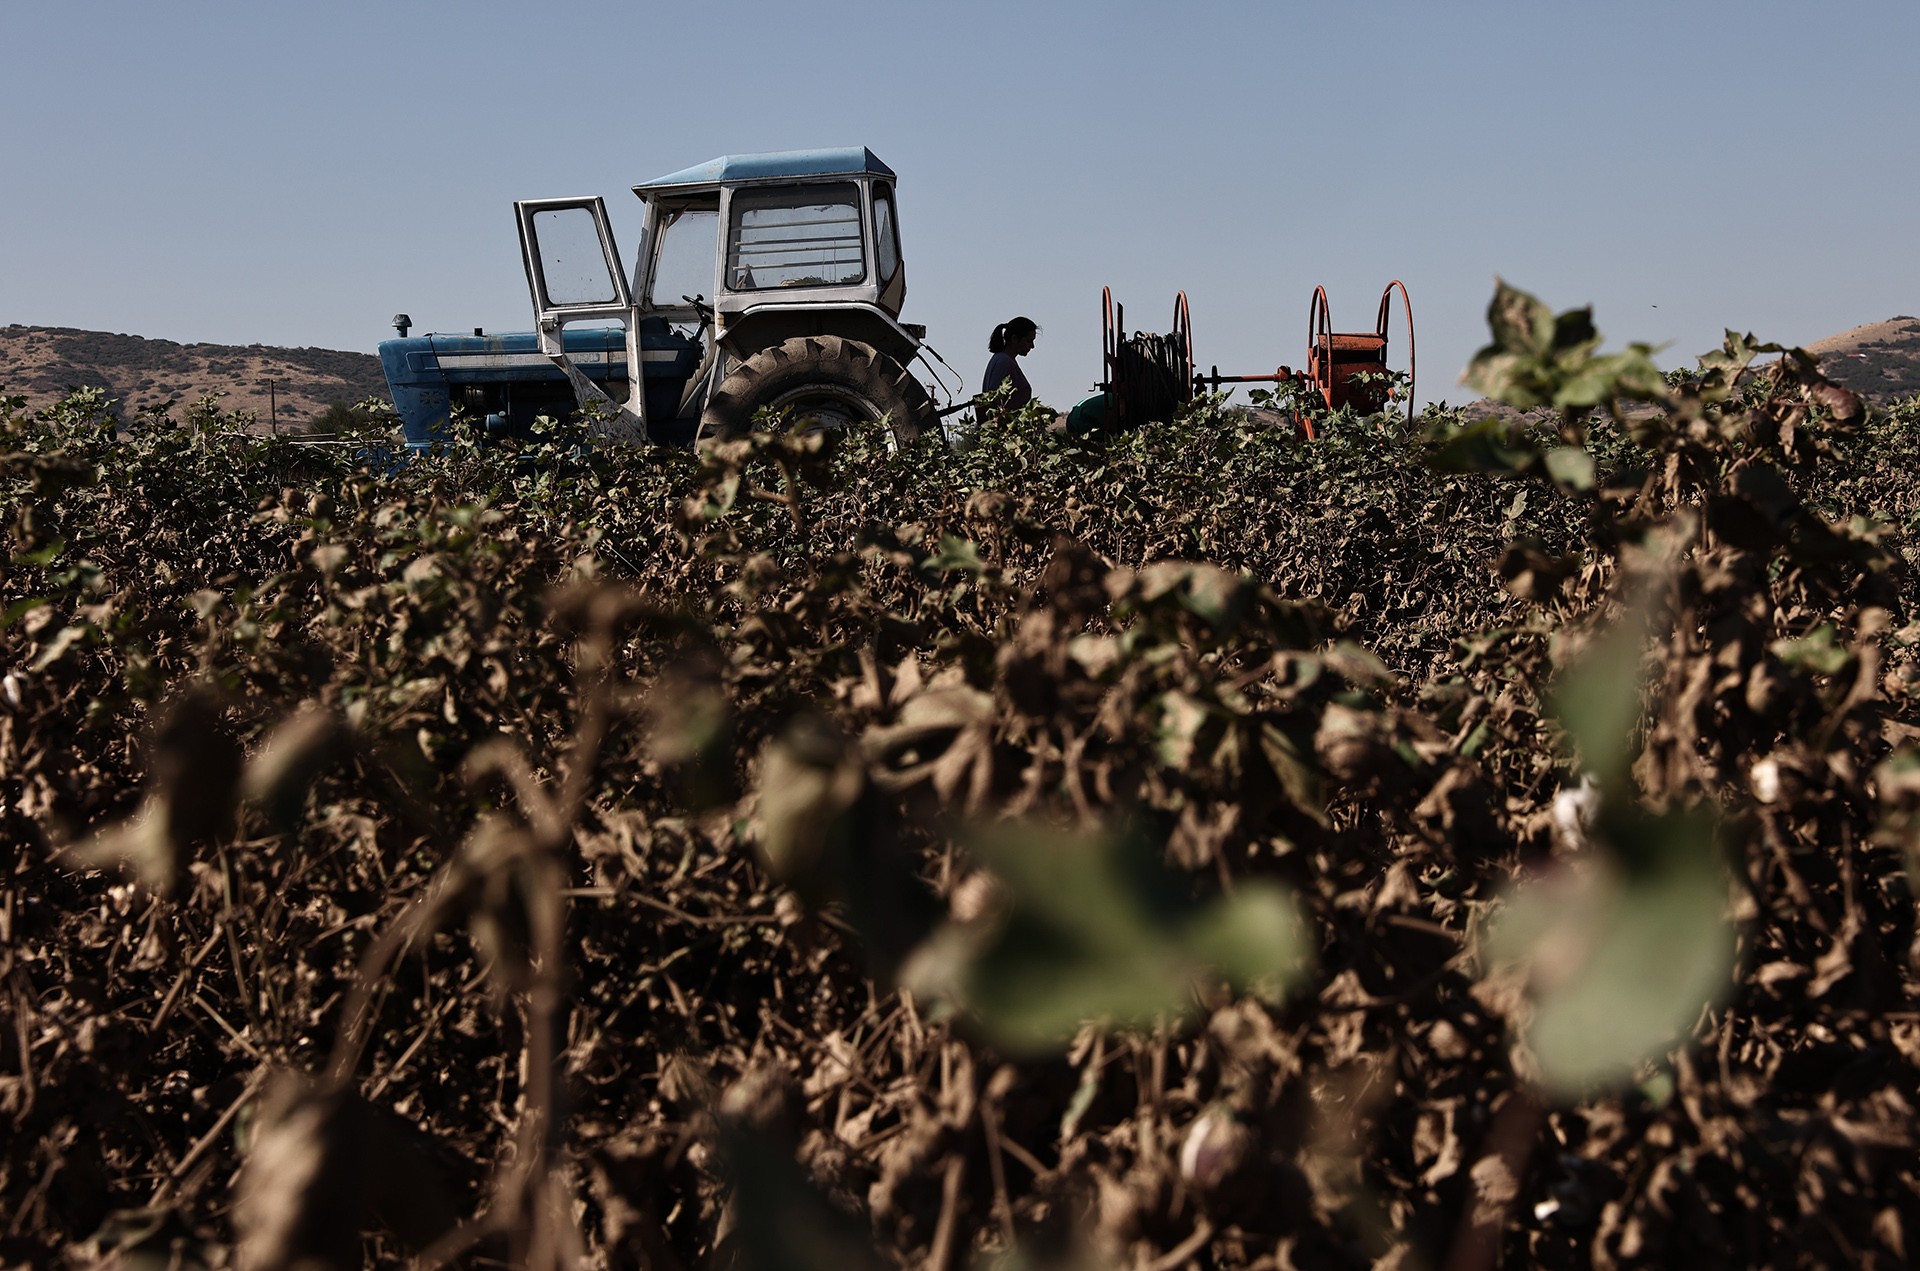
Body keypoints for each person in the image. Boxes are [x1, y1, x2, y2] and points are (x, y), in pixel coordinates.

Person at [982, 317, 1038, 412]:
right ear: (1014, 339)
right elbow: (994, 400)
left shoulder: (1004, 360)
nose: (1032, 346)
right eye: (1028, 341)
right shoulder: (1003, 361)